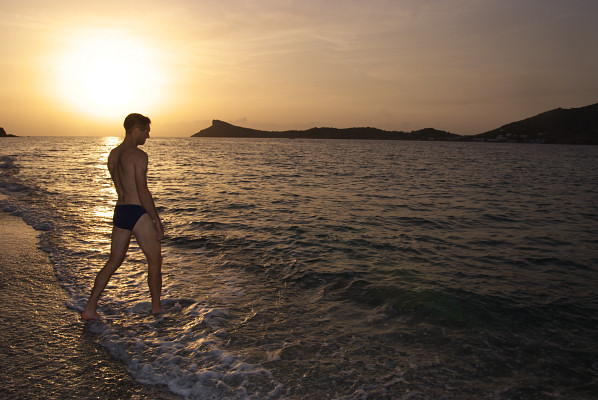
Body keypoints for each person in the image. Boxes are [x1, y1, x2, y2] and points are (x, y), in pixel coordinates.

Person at [81, 113, 164, 320]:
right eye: (146, 132)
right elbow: (143, 192)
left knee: (112, 262)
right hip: (137, 212)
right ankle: (156, 308)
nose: (148, 137)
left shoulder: (113, 154)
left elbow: (121, 187)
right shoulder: (138, 156)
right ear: (136, 130)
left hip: (120, 212)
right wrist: (157, 220)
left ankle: (90, 308)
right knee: (155, 261)